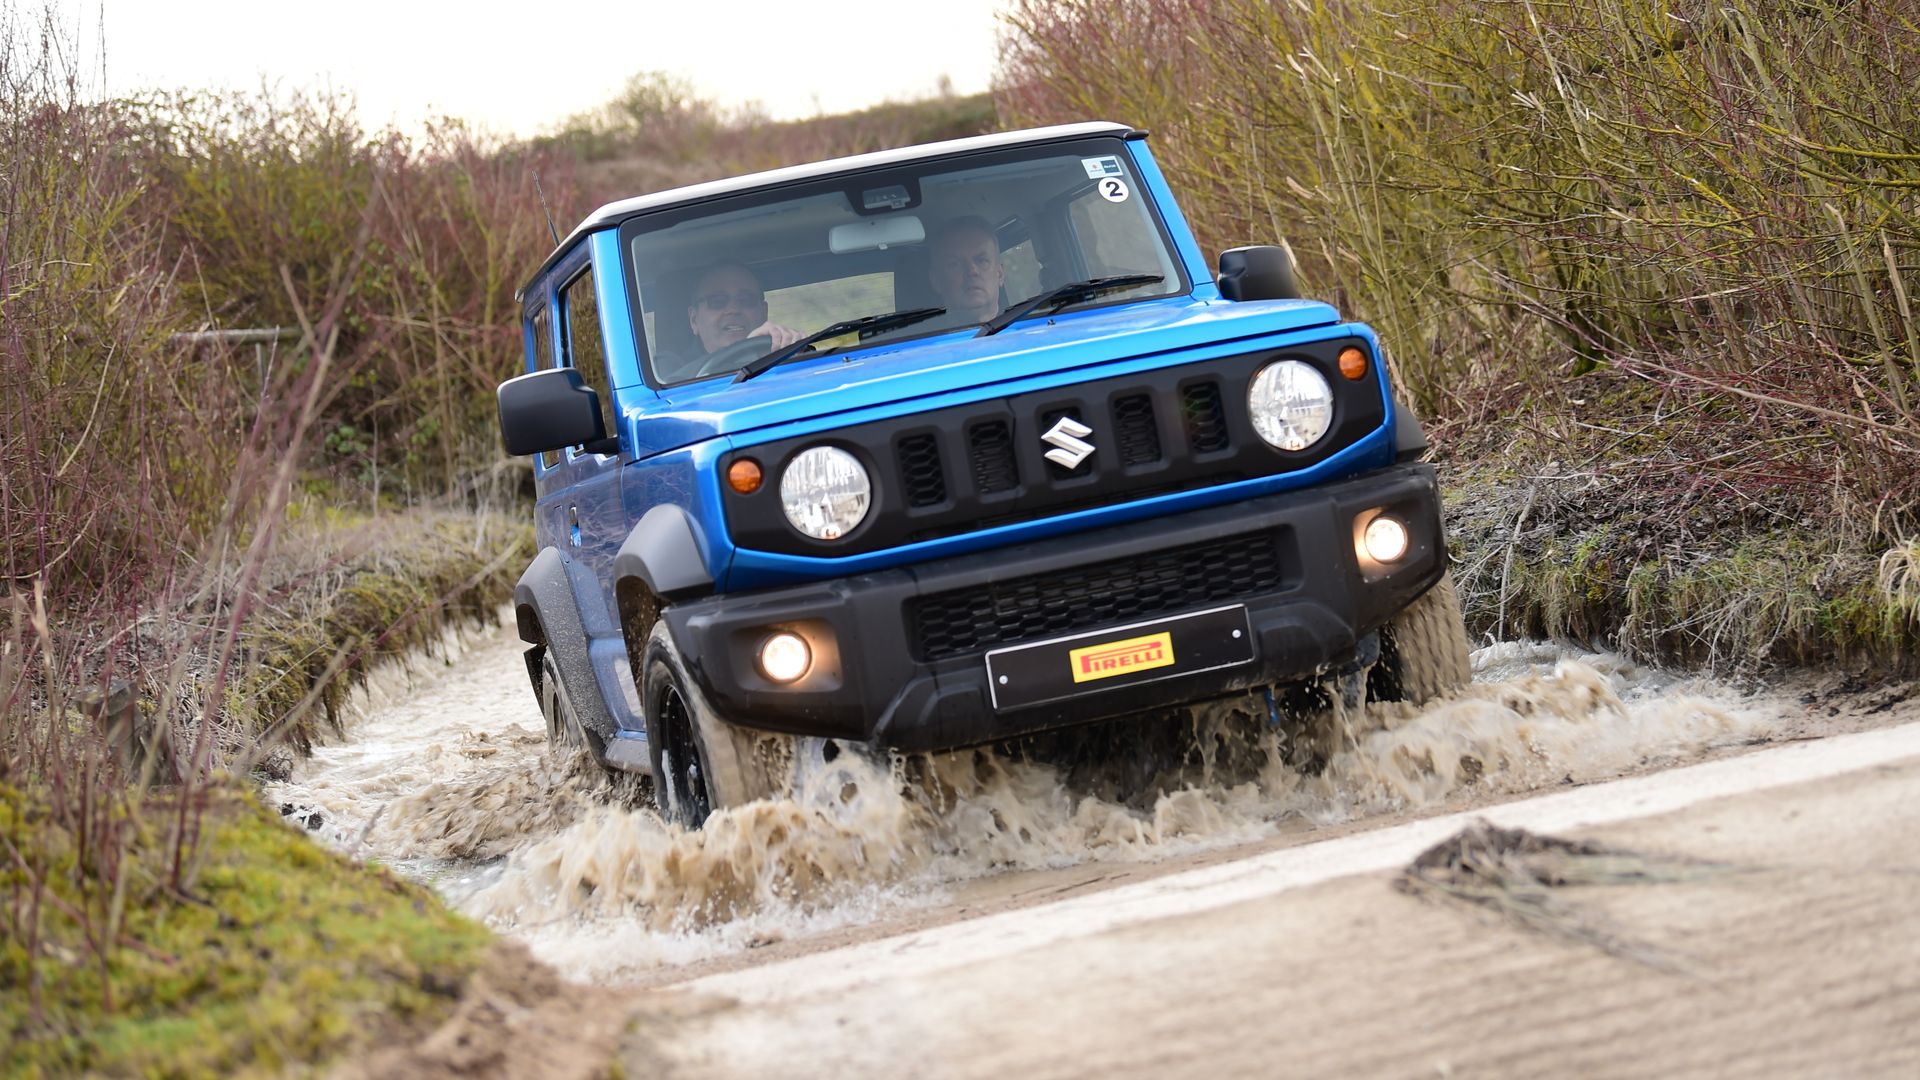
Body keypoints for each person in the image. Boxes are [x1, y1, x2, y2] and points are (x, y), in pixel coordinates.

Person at [666, 262, 803, 380]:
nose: (733, 309)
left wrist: (791, 351)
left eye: (745, 300)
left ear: (764, 312)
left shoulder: (783, 354)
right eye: (717, 302)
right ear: (694, 320)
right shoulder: (667, 377)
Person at [927, 216, 1005, 326]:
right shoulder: (920, 341)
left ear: (1000, 274)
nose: (972, 271)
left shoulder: (1033, 327)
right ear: (936, 281)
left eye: (982, 261)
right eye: (955, 264)